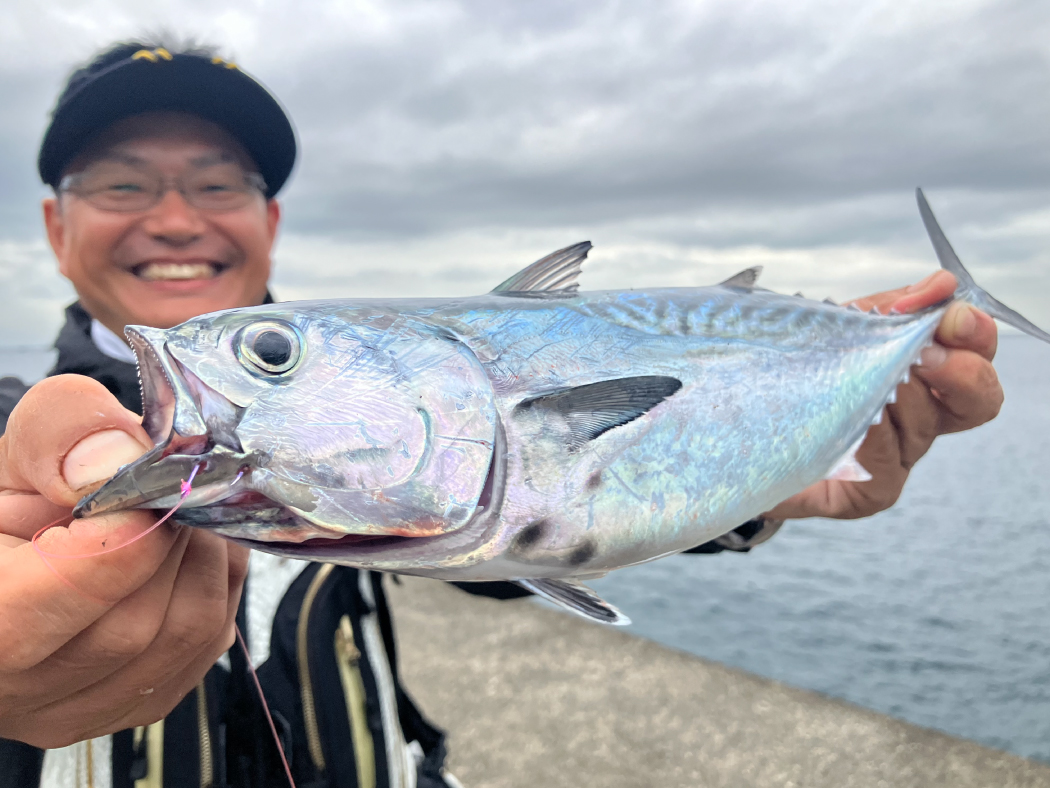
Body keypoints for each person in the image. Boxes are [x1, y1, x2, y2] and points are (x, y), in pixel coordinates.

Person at [0, 39, 1003, 788]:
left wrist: (751, 486)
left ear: (271, 221)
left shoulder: (338, 462)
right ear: (53, 223)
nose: (174, 217)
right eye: (122, 183)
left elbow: (501, 535)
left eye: (217, 182)